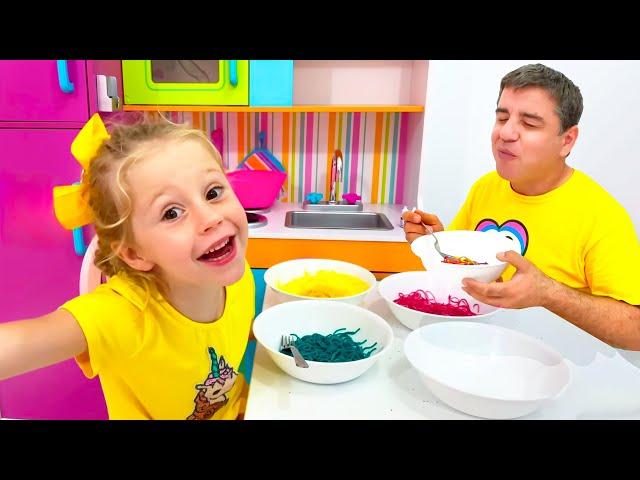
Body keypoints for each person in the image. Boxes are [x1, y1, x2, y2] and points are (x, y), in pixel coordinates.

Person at [0, 113, 255, 419]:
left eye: (213, 193)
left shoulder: (236, 275)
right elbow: (21, 344)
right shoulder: (124, 314)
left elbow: (213, 340)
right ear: (135, 254)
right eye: (172, 213)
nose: (211, 218)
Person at [402, 63, 640, 350]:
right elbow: (461, 280)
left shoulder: (602, 215)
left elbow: (634, 329)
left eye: (528, 124)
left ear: (567, 140)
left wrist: (548, 293)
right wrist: (436, 245)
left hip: (552, 373)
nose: (506, 133)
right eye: (502, 118)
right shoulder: (486, 187)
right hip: (478, 351)